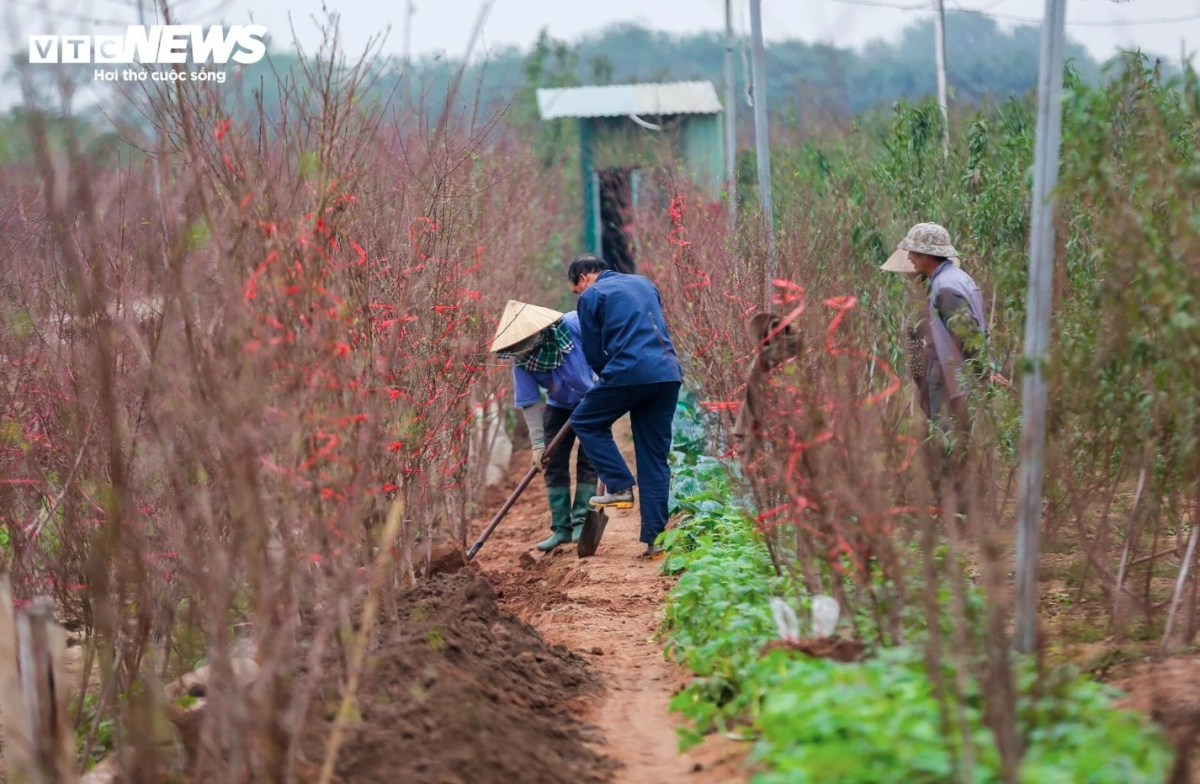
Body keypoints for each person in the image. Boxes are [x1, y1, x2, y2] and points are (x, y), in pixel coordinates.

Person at [566, 254, 684, 558]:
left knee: (586, 421)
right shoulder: (644, 283)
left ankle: (619, 486)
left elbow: (593, 353)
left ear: (582, 279)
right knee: (654, 458)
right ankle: (655, 541)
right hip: (667, 373)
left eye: (575, 289)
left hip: (629, 372)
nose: (578, 294)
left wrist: (606, 378)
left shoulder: (590, 295)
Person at [880, 222, 994, 514]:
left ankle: (956, 510)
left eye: (914, 254)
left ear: (928, 256)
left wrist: (984, 371)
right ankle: (958, 508)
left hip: (947, 378)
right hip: (950, 377)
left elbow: (963, 336)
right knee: (952, 441)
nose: (909, 261)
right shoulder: (951, 282)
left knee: (945, 443)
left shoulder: (943, 290)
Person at [489, 299, 598, 551]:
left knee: (590, 457)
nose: (522, 347)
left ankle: (582, 521)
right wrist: (538, 443)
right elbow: (529, 402)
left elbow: (604, 348)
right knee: (552, 460)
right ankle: (561, 529)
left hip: (594, 400)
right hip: (558, 405)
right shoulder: (522, 362)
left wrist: (605, 382)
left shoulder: (574, 325)